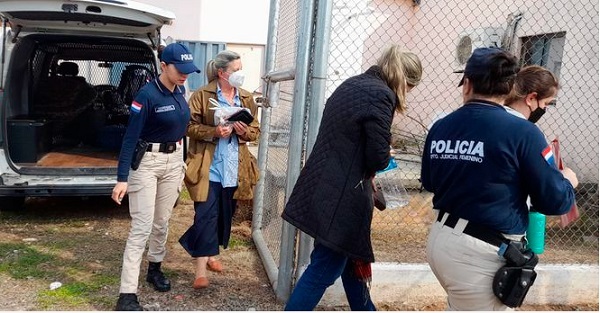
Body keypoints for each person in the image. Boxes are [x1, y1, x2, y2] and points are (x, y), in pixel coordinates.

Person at [420, 48, 578, 311]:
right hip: (478, 253)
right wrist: (567, 181)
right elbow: (554, 201)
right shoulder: (523, 132)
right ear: (508, 87)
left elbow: (430, 180)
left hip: (442, 240)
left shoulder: (442, 125)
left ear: (468, 84)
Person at [281, 45, 423, 311]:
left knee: (349, 260)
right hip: (343, 199)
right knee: (323, 268)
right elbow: (377, 158)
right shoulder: (382, 95)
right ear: (405, 81)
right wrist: (386, 149)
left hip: (324, 186)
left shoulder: (353, 84)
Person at [112, 43, 200, 311]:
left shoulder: (180, 90)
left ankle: (155, 268)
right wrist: (122, 177)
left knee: (162, 222)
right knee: (142, 227)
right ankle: (126, 294)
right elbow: (129, 138)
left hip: (173, 162)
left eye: (188, 70)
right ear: (164, 66)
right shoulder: (146, 95)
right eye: (180, 69)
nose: (185, 75)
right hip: (148, 163)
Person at [179, 50, 260, 289]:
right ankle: (200, 273)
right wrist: (213, 132)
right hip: (208, 167)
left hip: (234, 169)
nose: (240, 74)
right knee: (205, 216)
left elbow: (255, 130)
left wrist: (243, 131)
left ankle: (209, 253)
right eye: (236, 70)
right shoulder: (202, 95)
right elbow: (188, 126)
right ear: (222, 72)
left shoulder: (246, 99)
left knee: (223, 215)